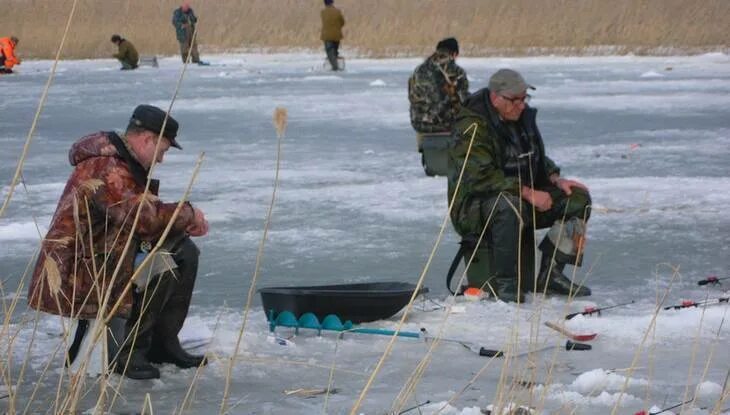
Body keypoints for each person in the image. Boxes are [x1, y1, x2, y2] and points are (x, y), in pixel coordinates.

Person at [27, 105, 209, 380]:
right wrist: (189, 213)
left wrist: (179, 222)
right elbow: (142, 219)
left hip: (103, 256)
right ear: (148, 139)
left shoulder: (121, 162)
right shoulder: (108, 166)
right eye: (163, 150)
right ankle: (127, 351)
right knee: (162, 261)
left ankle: (162, 344)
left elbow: (135, 219)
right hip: (80, 271)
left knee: (182, 250)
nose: (161, 159)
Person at [448, 69, 592, 302]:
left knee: (577, 198)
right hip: (473, 207)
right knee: (509, 204)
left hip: (517, 197)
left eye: (524, 99)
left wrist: (554, 178)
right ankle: (506, 284)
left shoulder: (519, 118)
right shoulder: (472, 126)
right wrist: (527, 192)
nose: (521, 105)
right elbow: (479, 178)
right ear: (496, 98)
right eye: (515, 100)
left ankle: (551, 274)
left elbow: (533, 156)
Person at [408, 37, 469, 136]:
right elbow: (465, 101)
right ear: (454, 54)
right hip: (444, 124)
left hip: (419, 123)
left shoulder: (418, 70)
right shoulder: (456, 72)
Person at [320, 0, 345, 71]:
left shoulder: (323, 12)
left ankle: (335, 67)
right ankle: (336, 67)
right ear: (332, 2)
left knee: (330, 51)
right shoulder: (337, 11)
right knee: (335, 51)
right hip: (337, 35)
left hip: (327, 36)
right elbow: (342, 22)